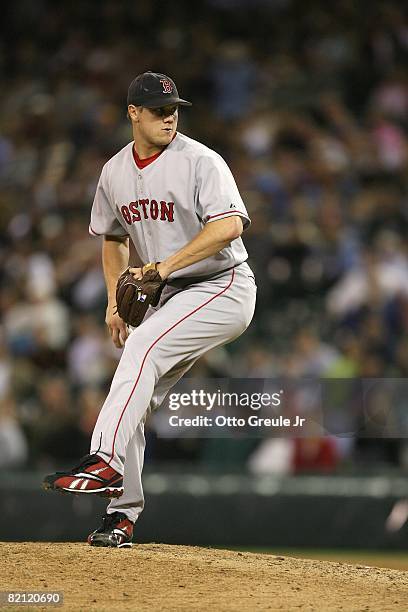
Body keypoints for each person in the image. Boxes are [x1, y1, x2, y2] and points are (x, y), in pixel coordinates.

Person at [43, 71, 256, 547]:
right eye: (158, 109)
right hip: (172, 293)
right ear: (132, 113)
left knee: (141, 348)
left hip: (222, 285)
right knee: (134, 392)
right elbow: (113, 238)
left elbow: (230, 227)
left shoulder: (201, 161)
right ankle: (121, 516)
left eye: (173, 108)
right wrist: (112, 299)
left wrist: (162, 267)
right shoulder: (114, 172)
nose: (169, 116)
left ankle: (103, 459)